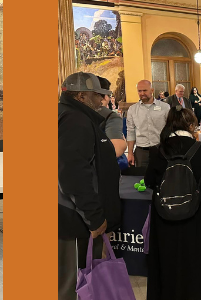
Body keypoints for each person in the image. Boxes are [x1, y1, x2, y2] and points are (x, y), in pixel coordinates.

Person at [144, 106, 201, 300]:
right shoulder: (200, 148)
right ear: (190, 125)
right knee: (194, 253)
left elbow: (149, 181)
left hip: (164, 213)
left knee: (167, 254)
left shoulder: (159, 150)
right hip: (195, 212)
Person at [58, 72, 121, 300]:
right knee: (73, 286)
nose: (101, 101)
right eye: (97, 95)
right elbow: (73, 174)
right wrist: (94, 217)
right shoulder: (76, 120)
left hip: (75, 216)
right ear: (82, 96)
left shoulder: (71, 115)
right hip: (75, 220)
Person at [127, 80, 171, 168]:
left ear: (152, 90)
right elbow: (130, 132)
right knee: (141, 179)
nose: (142, 93)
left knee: (162, 178)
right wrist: (130, 153)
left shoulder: (165, 107)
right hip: (141, 152)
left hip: (161, 149)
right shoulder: (132, 109)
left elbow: (170, 128)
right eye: (139, 91)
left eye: (145, 90)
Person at [97, 76, 127, 157]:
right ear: (105, 96)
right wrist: (123, 143)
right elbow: (116, 149)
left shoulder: (73, 112)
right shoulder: (111, 116)